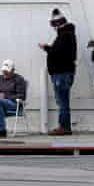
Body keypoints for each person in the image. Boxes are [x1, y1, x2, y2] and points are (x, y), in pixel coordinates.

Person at [38, 8, 77, 136]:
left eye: (54, 25)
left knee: (63, 101)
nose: (54, 28)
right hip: (62, 73)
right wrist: (50, 48)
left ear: (58, 23)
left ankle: (64, 127)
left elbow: (59, 53)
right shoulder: (66, 34)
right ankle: (65, 127)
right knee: (63, 101)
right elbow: (61, 52)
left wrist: (47, 48)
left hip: (62, 74)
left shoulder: (65, 35)